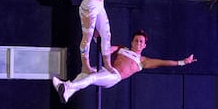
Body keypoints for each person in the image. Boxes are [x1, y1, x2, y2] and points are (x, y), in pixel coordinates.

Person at [53, 30, 194, 100]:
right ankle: (68, 92)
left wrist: (182, 62)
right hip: (106, 70)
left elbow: (164, 63)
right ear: (132, 42)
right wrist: (97, 38)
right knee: (85, 73)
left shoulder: (143, 61)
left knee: (92, 78)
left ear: (144, 45)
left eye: (141, 42)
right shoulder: (122, 48)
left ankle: (68, 86)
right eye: (136, 40)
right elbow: (106, 50)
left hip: (114, 77)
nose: (138, 43)